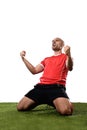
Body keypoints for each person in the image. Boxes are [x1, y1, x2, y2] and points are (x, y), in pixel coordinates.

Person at [17, 37, 73, 115]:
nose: (53, 41)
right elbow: (34, 70)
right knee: (20, 107)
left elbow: (70, 68)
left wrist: (69, 54)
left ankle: (59, 101)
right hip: (41, 87)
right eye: (52, 41)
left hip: (56, 87)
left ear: (62, 45)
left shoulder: (66, 57)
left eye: (56, 40)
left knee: (65, 111)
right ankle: (46, 100)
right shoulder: (47, 59)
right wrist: (23, 58)